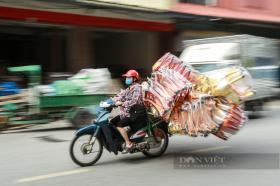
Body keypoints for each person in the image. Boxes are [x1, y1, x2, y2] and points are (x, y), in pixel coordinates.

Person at [111, 69, 144, 153]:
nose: (127, 79)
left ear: (134, 79)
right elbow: (120, 96)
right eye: (126, 77)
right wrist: (110, 101)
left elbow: (134, 101)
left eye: (129, 77)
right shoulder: (129, 88)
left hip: (135, 113)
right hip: (128, 112)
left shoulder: (137, 88)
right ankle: (123, 137)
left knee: (119, 125)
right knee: (112, 122)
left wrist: (122, 103)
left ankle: (128, 143)